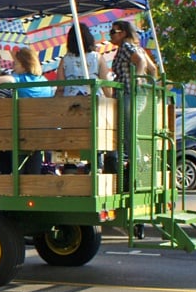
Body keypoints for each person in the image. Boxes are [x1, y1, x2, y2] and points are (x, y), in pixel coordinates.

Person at [0, 47, 53, 174]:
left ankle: (12, 183)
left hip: (20, 133)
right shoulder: (45, 82)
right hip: (42, 133)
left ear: (24, 65)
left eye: (16, 63)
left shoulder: (18, 79)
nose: (14, 67)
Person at [106, 20, 154, 176]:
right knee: (130, 131)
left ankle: (138, 168)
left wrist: (137, 79)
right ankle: (139, 166)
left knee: (128, 132)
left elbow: (141, 62)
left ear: (124, 33)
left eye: (113, 32)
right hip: (137, 94)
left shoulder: (126, 47)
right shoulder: (137, 47)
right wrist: (150, 86)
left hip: (129, 93)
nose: (110, 35)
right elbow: (153, 69)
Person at [55, 24, 112, 97]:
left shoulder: (65, 59)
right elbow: (106, 83)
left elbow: (60, 87)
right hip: (93, 97)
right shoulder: (97, 57)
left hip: (70, 98)